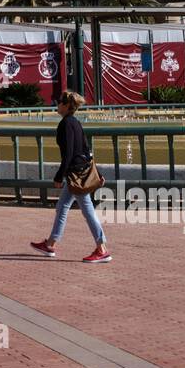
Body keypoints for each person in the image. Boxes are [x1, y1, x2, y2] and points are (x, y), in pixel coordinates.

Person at [30, 91, 110, 263]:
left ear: (66, 106)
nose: (57, 104)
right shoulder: (75, 122)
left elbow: (69, 154)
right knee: (63, 206)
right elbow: (85, 149)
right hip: (79, 171)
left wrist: (59, 176)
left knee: (87, 210)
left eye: (59, 102)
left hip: (75, 175)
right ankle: (50, 243)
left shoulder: (66, 124)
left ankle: (102, 248)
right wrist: (98, 173)